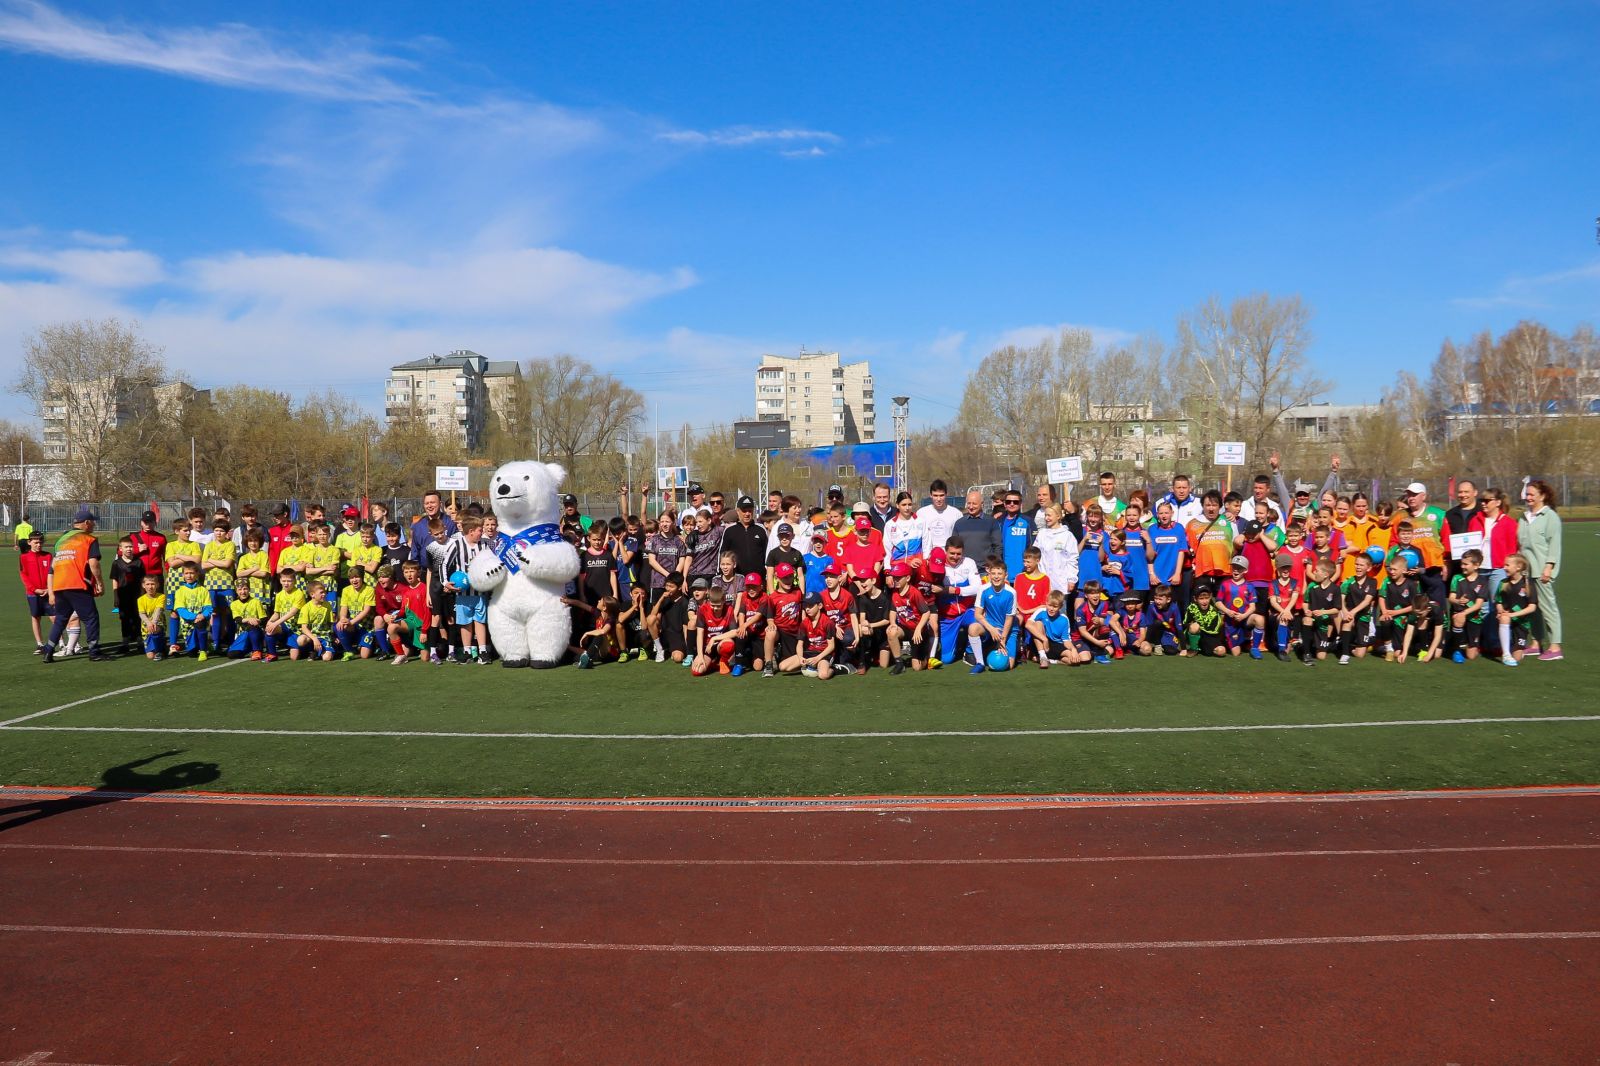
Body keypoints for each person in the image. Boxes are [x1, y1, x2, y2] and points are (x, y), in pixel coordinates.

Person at [41, 507, 106, 663]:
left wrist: (52, 590)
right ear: (87, 522)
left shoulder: (61, 540)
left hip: (59, 585)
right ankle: (94, 651)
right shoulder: (89, 539)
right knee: (91, 618)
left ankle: (48, 650)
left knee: (61, 619)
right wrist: (100, 583)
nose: (94, 525)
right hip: (78, 584)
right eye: (93, 522)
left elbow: (53, 566)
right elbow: (93, 563)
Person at [1518, 479, 1562, 661]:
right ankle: (1536, 644)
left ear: (1542, 496)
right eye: (1526, 494)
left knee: (1548, 608)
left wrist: (1549, 567)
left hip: (1542, 570)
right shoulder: (1523, 517)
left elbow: (1554, 545)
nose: (1527, 497)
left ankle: (1555, 647)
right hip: (1526, 571)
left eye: (1531, 494)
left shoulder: (1550, 516)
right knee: (1533, 608)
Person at [933, 537, 984, 667]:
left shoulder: (969, 562)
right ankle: (960, 642)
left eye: (958, 554)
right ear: (946, 551)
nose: (955, 557)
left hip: (967, 610)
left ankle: (969, 651)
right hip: (948, 616)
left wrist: (954, 590)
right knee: (947, 659)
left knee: (982, 622)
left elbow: (977, 588)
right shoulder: (938, 564)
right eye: (952, 553)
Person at [969, 558, 1018, 673]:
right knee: (973, 628)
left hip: (1008, 630)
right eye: (993, 573)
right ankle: (980, 663)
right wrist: (991, 629)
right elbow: (977, 615)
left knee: (1009, 664)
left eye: (999, 573)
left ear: (1006, 575)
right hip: (990, 627)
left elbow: (1009, 619)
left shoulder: (1011, 593)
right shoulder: (983, 589)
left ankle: (996, 646)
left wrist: (1002, 641)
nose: (996, 576)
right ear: (989, 575)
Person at [1447, 548, 1489, 663]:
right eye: (1462, 563)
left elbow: (1478, 605)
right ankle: (1456, 650)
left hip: (1474, 617)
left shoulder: (1483, 581)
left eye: (1466, 564)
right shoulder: (1457, 578)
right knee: (1459, 618)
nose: (1462, 566)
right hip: (1458, 614)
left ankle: (1469, 643)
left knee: (1471, 656)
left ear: (1476, 565)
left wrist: (1465, 613)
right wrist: (1458, 601)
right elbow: (1451, 598)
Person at [1495, 553, 1537, 667]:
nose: (1504, 567)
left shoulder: (1528, 584)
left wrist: (1512, 615)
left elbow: (1532, 607)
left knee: (1517, 658)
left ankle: (1517, 649)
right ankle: (1506, 655)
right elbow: (1498, 602)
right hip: (1507, 619)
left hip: (1521, 624)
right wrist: (1501, 611)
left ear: (1518, 567)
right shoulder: (1503, 583)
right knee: (1504, 618)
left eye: (1507, 565)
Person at [109, 535, 147, 655]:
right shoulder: (116, 563)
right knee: (124, 618)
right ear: (120, 549)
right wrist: (115, 595)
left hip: (137, 595)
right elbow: (115, 580)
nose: (129, 549)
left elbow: (143, 579)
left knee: (138, 617)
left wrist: (143, 594)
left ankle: (140, 642)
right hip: (123, 594)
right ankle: (125, 643)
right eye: (126, 547)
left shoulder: (138, 562)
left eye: (131, 547)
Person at [171, 561, 212, 660]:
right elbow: (181, 610)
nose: (189, 576)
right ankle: (204, 644)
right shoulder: (180, 591)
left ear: (197, 574)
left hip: (200, 620)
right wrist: (195, 616)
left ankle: (203, 651)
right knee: (192, 653)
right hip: (188, 625)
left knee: (200, 624)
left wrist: (203, 615)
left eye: (192, 573)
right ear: (183, 575)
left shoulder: (203, 590)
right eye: (186, 573)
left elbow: (208, 608)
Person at [20, 528, 53, 652]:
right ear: (29, 542)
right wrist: (34, 589)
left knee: (54, 617)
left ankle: (60, 643)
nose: (39, 545)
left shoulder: (48, 555)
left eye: (40, 542)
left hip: (48, 592)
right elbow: (24, 575)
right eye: (36, 542)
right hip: (33, 593)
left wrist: (49, 589)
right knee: (36, 617)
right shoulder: (24, 557)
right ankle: (40, 644)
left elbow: (53, 574)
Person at [722, 496, 768, 576]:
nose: (747, 514)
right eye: (744, 511)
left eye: (750, 511)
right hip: (737, 577)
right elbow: (723, 554)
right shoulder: (729, 530)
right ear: (738, 511)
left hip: (758, 578)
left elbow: (767, 553)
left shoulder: (761, 529)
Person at [409, 491, 457, 565]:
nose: (429, 506)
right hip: (425, 569)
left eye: (432, 502)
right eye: (427, 503)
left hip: (448, 568)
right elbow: (415, 552)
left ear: (440, 504)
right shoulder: (418, 526)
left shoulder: (451, 523)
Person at [996, 489, 1035, 580]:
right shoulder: (998, 522)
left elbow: (1033, 546)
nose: (1012, 504)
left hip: (1023, 571)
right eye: (1008, 501)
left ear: (1020, 503)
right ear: (1004, 504)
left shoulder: (1028, 522)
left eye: (1015, 502)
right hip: (1002, 573)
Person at [916, 480, 959, 554]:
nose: (938, 499)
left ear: (946, 494)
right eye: (935, 495)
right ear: (930, 495)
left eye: (941, 495)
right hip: (928, 555)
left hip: (948, 556)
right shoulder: (921, 513)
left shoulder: (956, 514)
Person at [136, 574, 167, 660]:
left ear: (157, 585)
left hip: (158, 623)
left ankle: (159, 651)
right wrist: (148, 623)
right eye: (148, 584)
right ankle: (161, 646)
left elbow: (158, 610)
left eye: (152, 584)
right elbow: (142, 614)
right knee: (150, 656)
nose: (150, 587)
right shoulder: (140, 599)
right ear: (143, 585)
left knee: (155, 629)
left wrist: (153, 622)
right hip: (146, 626)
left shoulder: (161, 596)